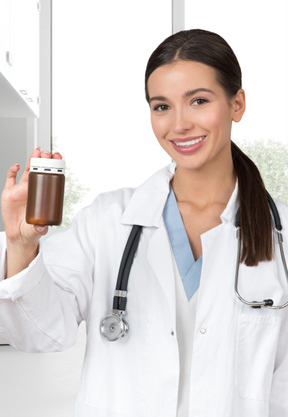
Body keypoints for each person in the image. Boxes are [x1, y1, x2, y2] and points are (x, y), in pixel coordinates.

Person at [0, 29, 288, 417]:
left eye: (198, 101)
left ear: (237, 104)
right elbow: (39, 332)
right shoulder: (107, 221)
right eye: (161, 106)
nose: (179, 124)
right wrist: (21, 245)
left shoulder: (280, 234)